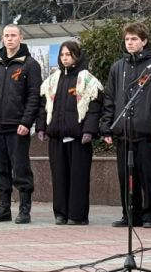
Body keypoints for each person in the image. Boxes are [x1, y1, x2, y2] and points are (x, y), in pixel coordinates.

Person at [99, 22, 151, 228]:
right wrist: (107, 127)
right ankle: (130, 213)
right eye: (127, 39)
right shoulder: (118, 67)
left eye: (134, 39)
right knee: (126, 176)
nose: (130, 43)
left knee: (148, 175)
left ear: (144, 41)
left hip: (147, 132)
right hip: (124, 131)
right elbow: (110, 99)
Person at [0, 24, 43, 224]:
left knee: (21, 168)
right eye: (6, 35)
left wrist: (26, 121)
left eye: (13, 35)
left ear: (21, 38)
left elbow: (34, 96)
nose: (9, 39)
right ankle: (3, 208)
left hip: (17, 127)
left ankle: (24, 209)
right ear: (2, 39)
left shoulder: (30, 64)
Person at [35, 40, 103, 225]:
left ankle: (77, 215)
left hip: (79, 138)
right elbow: (44, 106)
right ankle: (61, 213)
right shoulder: (52, 80)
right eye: (62, 55)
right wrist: (41, 127)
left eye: (69, 54)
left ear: (77, 56)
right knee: (59, 176)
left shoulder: (87, 79)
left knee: (78, 177)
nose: (65, 58)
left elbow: (94, 108)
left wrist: (89, 130)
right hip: (56, 136)